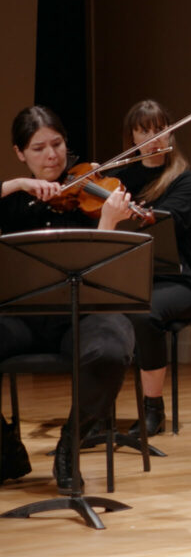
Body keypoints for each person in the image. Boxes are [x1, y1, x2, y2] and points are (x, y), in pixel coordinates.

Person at [0, 105, 135, 491]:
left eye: (57, 144)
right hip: (20, 316)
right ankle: (5, 445)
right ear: (20, 153)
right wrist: (14, 185)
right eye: (39, 148)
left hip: (83, 313)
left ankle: (71, 443)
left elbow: (109, 271)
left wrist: (109, 221)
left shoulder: (94, 195)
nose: (52, 155)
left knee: (111, 349)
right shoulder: (11, 200)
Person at [110, 99, 191, 437]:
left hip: (177, 281)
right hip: (126, 278)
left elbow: (173, 223)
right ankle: (97, 409)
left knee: (143, 313)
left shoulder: (185, 180)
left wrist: (131, 212)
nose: (153, 138)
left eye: (159, 129)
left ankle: (154, 410)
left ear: (170, 133)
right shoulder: (116, 179)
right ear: (131, 137)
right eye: (143, 131)